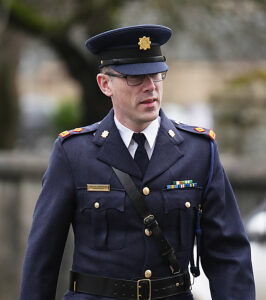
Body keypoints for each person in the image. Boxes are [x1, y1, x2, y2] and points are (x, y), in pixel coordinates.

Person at [20, 24, 255, 300]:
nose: (150, 87)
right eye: (135, 78)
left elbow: (228, 255)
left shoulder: (199, 151)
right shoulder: (73, 153)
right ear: (105, 84)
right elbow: (42, 258)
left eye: (157, 75)